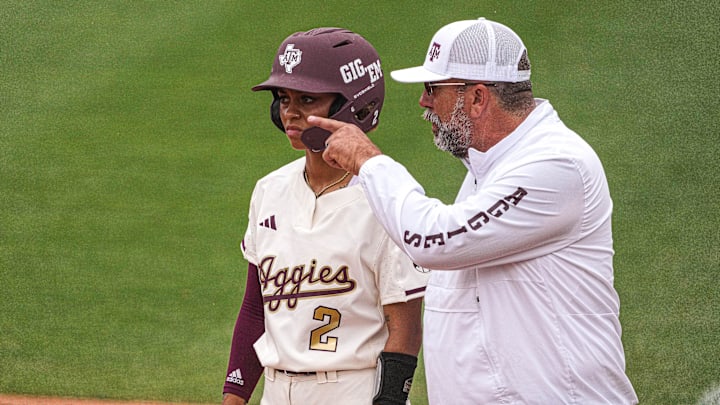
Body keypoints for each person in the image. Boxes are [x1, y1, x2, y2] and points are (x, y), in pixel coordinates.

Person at [310, 18, 639, 404]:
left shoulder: (555, 165)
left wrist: (369, 161)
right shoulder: (491, 169)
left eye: (433, 88)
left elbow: (431, 239)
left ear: (478, 98)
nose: (424, 102)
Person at [222, 28, 429, 405]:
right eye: (283, 98)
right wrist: (234, 397)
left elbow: (406, 326)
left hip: (351, 390)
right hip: (275, 390)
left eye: (308, 99)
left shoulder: (386, 197)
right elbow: (255, 307)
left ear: (350, 105)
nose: (290, 112)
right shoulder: (269, 190)